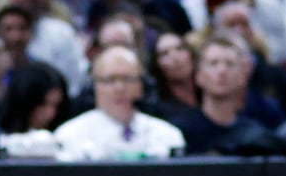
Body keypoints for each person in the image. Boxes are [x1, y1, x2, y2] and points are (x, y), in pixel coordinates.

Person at [53, 46, 186, 160]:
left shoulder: (168, 136)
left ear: (142, 85)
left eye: (128, 79)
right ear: (94, 87)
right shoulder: (68, 137)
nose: (119, 88)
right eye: (109, 80)